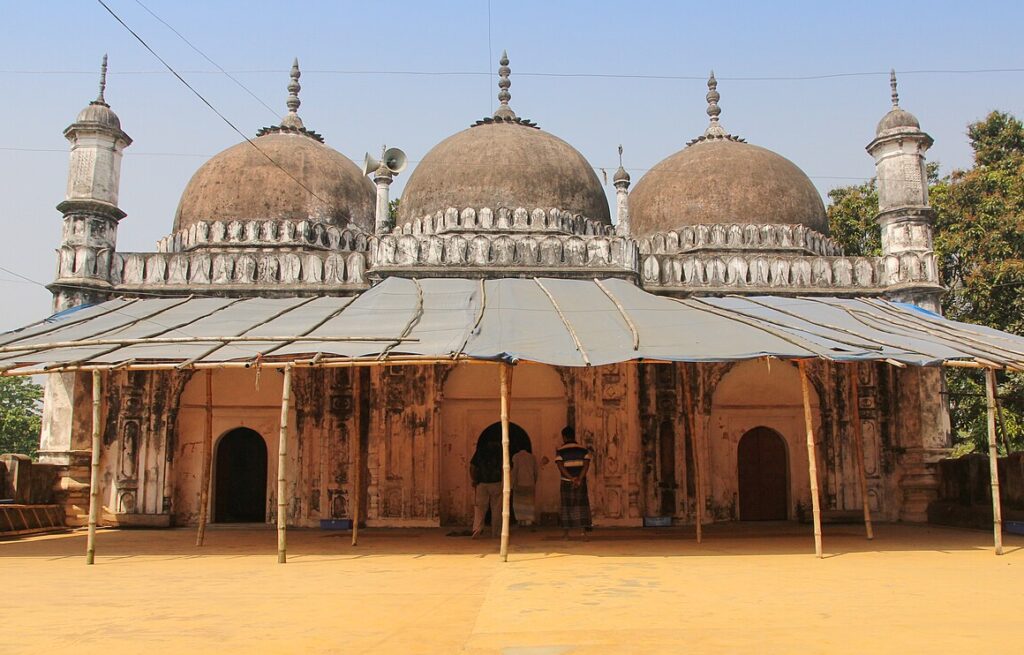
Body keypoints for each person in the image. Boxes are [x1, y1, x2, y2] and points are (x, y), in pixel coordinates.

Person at [555, 425, 591, 539]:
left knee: (566, 507)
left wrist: (571, 478)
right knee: (581, 506)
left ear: (564, 437)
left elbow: (561, 467)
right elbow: (586, 466)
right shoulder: (583, 450)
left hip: (566, 482)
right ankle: (583, 533)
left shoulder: (560, 451)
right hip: (581, 482)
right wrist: (579, 478)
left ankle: (566, 534)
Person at [470, 432, 502, 538]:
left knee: (480, 508)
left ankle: (477, 528)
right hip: (496, 482)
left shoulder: (480, 451)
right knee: (496, 508)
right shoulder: (500, 452)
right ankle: (496, 532)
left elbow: (473, 467)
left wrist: (474, 479)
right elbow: (506, 468)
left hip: (482, 482)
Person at [511, 443, 538, 527]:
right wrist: (534, 481)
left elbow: (514, 471)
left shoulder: (515, 457)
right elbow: (536, 471)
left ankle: (520, 521)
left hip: (519, 483)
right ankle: (529, 521)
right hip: (530, 483)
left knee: (518, 503)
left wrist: (512, 484)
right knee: (529, 503)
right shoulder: (532, 457)